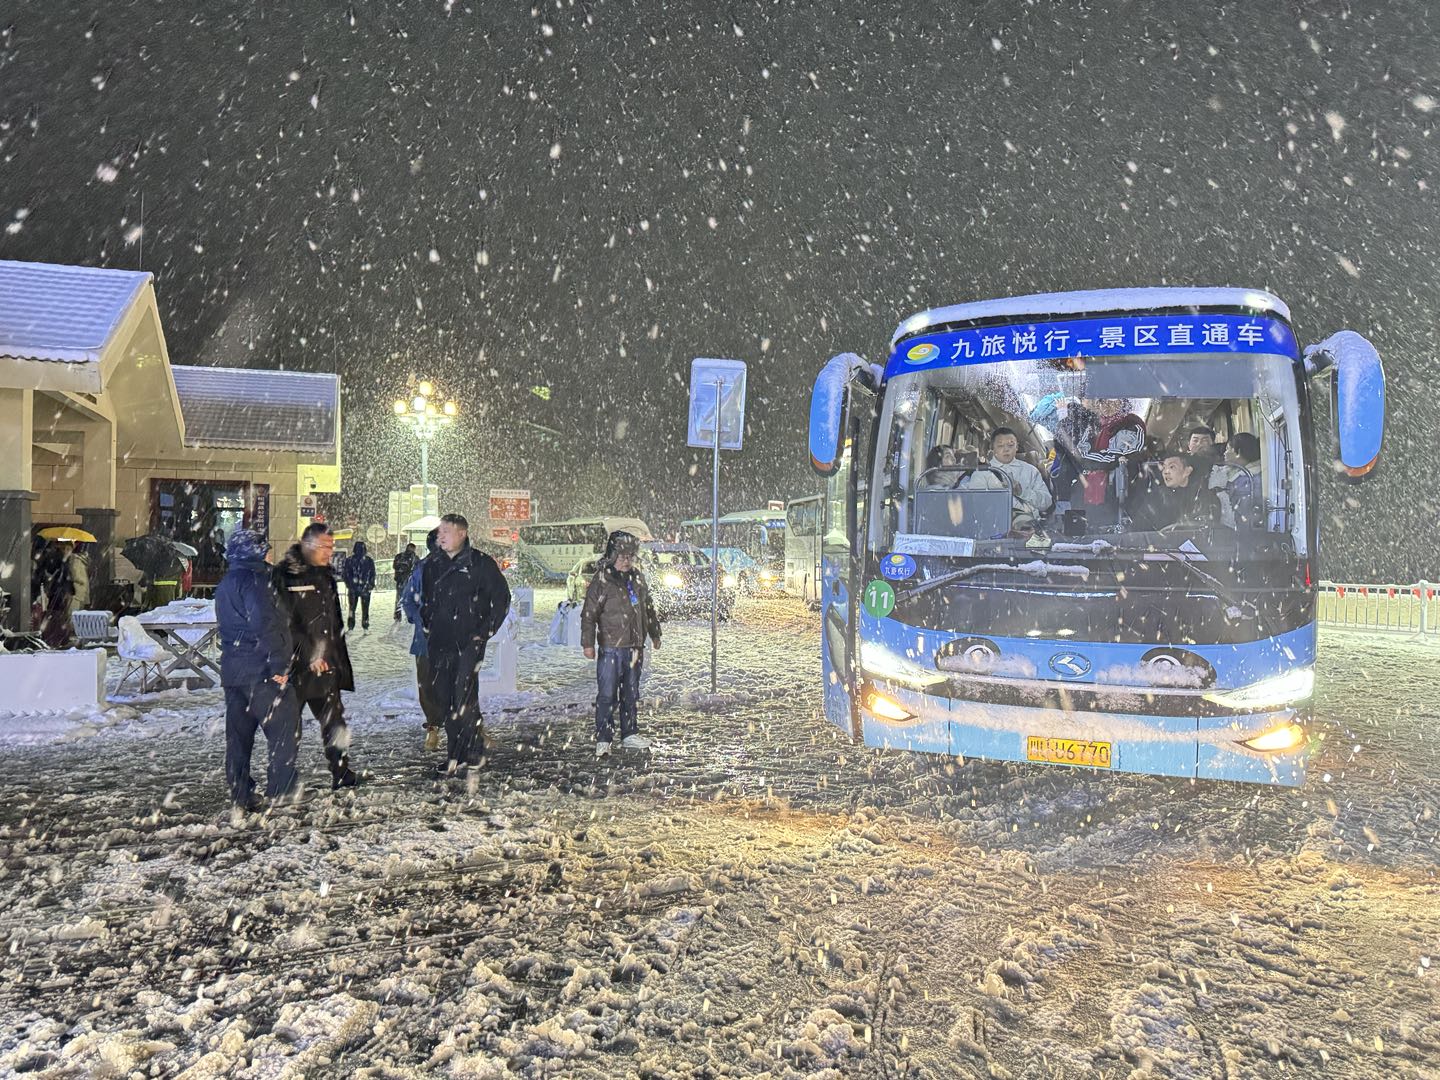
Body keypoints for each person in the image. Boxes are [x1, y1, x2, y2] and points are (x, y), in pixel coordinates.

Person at [418, 514, 511, 775]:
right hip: (439, 641)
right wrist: (428, 622)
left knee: (464, 697)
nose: (441, 536)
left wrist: (484, 632)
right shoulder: (432, 564)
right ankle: (455, 755)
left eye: (447, 531)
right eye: (439, 532)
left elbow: (501, 598)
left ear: (462, 534)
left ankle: (474, 753)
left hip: (468, 642)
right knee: (445, 699)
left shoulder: (480, 564)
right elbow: (426, 599)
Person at [216, 528, 300, 810]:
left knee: (239, 738)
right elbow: (266, 624)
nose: (270, 553)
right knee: (284, 729)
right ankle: (282, 789)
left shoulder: (228, 581)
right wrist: (279, 664)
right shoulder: (256, 581)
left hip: (234, 670)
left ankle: (241, 792)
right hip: (260, 669)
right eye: (265, 548)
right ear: (255, 552)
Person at [273, 524, 359, 789]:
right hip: (295, 667)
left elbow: (332, 623)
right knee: (289, 727)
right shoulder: (285, 575)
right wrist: (308, 654)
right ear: (307, 544)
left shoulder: (325, 576)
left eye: (331, 547)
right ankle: (282, 780)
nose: (329, 552)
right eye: (325, 546)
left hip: (326, 666)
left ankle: (341, 770)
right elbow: (283, 623)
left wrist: (334, 657)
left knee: (335, 721)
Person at [581, 530, 662, 759]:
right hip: (610, 647)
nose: (626, 562)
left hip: (635, 647)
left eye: (630, 557)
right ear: (612, 555)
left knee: (630, 692)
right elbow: (589, 614)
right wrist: (588, 643)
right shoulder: (602, 580)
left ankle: (629, 733)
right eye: (622, 556)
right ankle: (604, 738)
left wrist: (655, 633)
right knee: (607, 694)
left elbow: (648, 609)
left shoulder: (637, 579)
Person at [401, 529, 445, 751]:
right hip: (425, 640)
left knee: (456, 684)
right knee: (427, 685)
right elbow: (407, 600)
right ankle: (433, 727)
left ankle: (468, 727)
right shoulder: (420, 570)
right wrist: (420, 620)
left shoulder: (461, 567)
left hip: (453, 640)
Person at [1128, 451, 1221, 532]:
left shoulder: (1205, 498)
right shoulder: (1156, 499)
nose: (1166, 472)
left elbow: (1207, 531)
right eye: (1164, 468)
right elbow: (1137, 528)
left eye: (1172, 467)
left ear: (1187, 471)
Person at [985, 427, 1053, 515]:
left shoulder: (1031, 471)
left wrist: (1022, 492)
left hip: (1026, 525)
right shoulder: (982, 473)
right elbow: (972, 503)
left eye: (1010, 445)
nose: (1006, 449)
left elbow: (1047, 503)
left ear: (1017, 446)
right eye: (1000, 445)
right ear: (992, 448)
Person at [1210, 431, 1262, 528]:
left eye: (1228, 449)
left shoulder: (1248, 479)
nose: (1225, 453)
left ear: (1238, 452)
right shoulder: (1237, 473)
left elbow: (1242, 510)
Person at [342, 539, 376, 630]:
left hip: (357, 587)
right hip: (362, 587)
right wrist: (369, 585)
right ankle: (364, 625)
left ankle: (352, 625)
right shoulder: (368, 560)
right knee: (363, 609)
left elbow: (345, 574)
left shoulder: (350, 560)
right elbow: (372, 574)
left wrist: (350, 585)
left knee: (353, 608)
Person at [392, 542, 418, 621]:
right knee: (409, 598)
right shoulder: (414, 558)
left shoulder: (400, 556)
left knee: (400, 598)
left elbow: (395, 566)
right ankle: (407, 615)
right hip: (408, 580)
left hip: (402, 580)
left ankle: (398, 614)